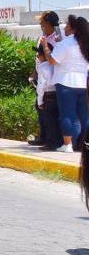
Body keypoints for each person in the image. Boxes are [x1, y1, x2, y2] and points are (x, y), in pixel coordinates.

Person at [41, 15, 89, 153]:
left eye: (67, 25)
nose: (64, 28)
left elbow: (52, 61)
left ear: (73, 29)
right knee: (85, 116)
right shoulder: (85, 43)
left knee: (67, 115)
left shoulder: (66, 43)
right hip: (83, 83)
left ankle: (67, 145)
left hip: (66, 83)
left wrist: (45, 46)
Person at [32, 11, 63, 150]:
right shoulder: (43, 38)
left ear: (49, 23)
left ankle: (52, 141)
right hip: (42, 76)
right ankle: (44, 137)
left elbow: (54, 60)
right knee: (41, 111)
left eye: (42, 23)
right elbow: (39, 57)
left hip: (52, 82)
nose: (41, 25)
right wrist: (35, 72)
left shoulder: (58, 37)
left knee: (48, 113)